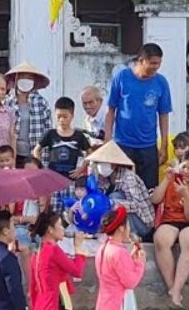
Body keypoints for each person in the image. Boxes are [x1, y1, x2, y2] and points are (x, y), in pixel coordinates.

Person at [105, 44, 172, 189]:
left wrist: (164, 144)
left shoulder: (161, 82)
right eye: (153, 63)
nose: (156, 67)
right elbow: (111, 110)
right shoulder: (122, 78)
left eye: (159, 63)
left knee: (149, 189)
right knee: (122, 188)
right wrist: (107, 139)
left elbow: (163, 114)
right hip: (123, 144)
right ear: (141, 60)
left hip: (148, 145)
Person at [150, 155, 189, 308]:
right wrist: (166, 179)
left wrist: (186, 196)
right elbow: (155, 200)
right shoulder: (172, 181)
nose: (186, 171)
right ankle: (172, 287)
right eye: (184, 167)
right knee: (161, 239)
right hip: (170, 220)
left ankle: (177, 290)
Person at [85, 142, 155, 240]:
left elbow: (136, 205)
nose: (100, 166)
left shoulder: (128, 177)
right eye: (98, 163)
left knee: (114, 196)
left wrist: (113, 204)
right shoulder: (103, 179)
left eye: (103, 163)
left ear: (114, 165)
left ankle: (131, 234)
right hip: (125, 218)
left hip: (142, 222)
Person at [35, 97, 91, 208]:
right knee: (52, 210)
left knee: (70, 210)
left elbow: (90, 153)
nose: (62, 120)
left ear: (72, 116)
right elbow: (36, 150)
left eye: (65, 117)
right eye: (58, 116)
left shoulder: (79, 136)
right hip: (53, 181)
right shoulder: (51, 134)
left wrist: (81, 169)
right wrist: (42, 167)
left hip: (71, 181)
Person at [4, 62, 53, 168]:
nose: (26, 80)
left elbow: (48, 132)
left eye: (29, 77)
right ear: (16, 79)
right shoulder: (7, 103)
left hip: (33, 155)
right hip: (12, 155)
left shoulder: (42, 103)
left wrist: (43, 160)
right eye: (22, 77)